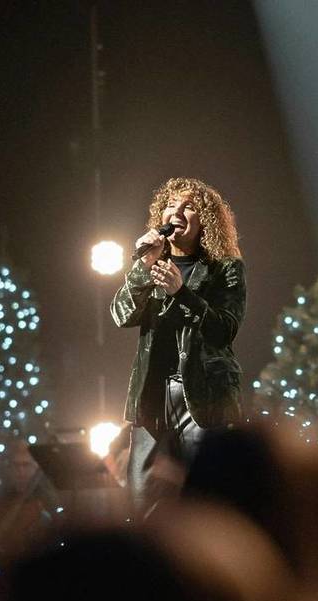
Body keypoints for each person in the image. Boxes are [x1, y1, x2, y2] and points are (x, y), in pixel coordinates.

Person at [110, 177, 246, 512]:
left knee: (205, 497)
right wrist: (142, 267)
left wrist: (181, 293)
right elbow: (120, 315)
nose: (178, 211)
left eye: (189, 206)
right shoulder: (151, 264)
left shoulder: (224, 268)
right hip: (152, 393)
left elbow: (224, 329)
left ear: (206, 221)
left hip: (203, 395)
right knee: (141, 501)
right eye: (172, 204)